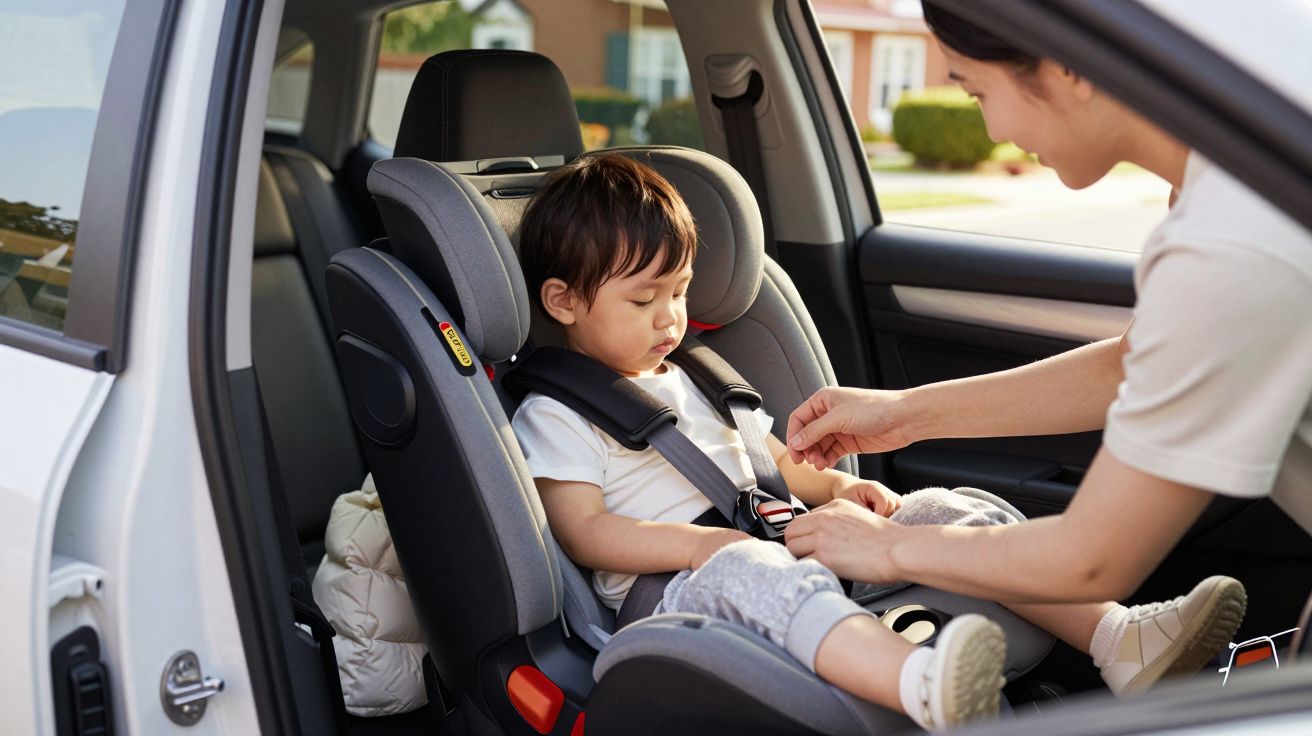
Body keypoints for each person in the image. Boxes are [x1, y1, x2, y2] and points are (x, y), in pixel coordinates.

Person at [508, 153, 1243, 728]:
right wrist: (704, 548)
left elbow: (771, 469)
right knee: (759, 571)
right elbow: (585, 530)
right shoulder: (557, 412)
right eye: (645, 300)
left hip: (771, 544)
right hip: (684, 594)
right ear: (563, 302)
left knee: (938, 508)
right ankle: (921, 685)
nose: (672, 317)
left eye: (681, 291)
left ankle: (1121, 638)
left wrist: (839, 490)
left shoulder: (695, 377)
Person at [784, 0, 1304, 662]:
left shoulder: (1228, 240)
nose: (991, 126)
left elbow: (1092, 560)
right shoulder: (1229, 179)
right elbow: (1133, 363)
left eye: (976, 91)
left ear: (1064, 67)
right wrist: (906, 414)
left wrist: (883, 544)